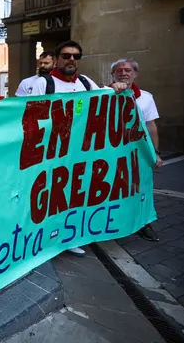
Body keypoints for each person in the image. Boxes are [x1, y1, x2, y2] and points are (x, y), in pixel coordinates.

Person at [28, 40, 127, 257]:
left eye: (76, 56)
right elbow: (31, 117)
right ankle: (41, 239)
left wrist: (114, 88)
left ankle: (68, 237)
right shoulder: (43, 84)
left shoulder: (85, 82)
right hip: (51, 152)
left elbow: (103, 97)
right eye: (66, 55)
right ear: (57, 59)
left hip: (79, 152)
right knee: (49, 196)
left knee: (73, 195)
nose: (71, 59)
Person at [111, 58, 162, 242]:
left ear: (135, 74)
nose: (123, 73)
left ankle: (143, 224)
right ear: (113, 75)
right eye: (119, 70)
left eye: (128, 70)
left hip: (138, 154)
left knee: (141, 189)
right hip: (112, 154)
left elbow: (151, 126)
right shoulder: (103, 94)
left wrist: (155, 152)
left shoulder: (146, 97)